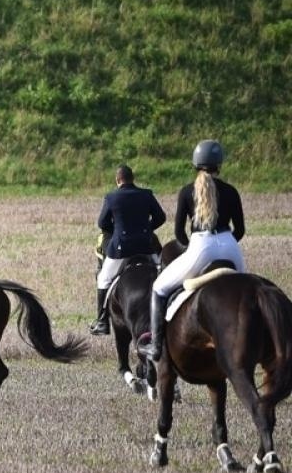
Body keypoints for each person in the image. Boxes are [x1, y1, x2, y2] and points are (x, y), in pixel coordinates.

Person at [137, 140, 246, 365]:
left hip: (201, 246)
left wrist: (191, 250)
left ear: (195, 164)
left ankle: (155, 346)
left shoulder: (187, 191)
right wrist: (225, 245)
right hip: (230, 245)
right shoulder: (231, 191)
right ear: (219, 165)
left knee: (159, 287)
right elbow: (240, 230)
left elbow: (179, 232)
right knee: (247, 293)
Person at [89, 164, 166, 335]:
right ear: (133, 179)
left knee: (103, 279)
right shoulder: (146, 194)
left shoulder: (111, 197)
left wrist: (117, 230)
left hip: (121, 248)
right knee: (163, 274)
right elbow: (161, 217)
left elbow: (102, 223)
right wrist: (146, 229)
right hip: (146, 246)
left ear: (118, 180)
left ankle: (102, 321)